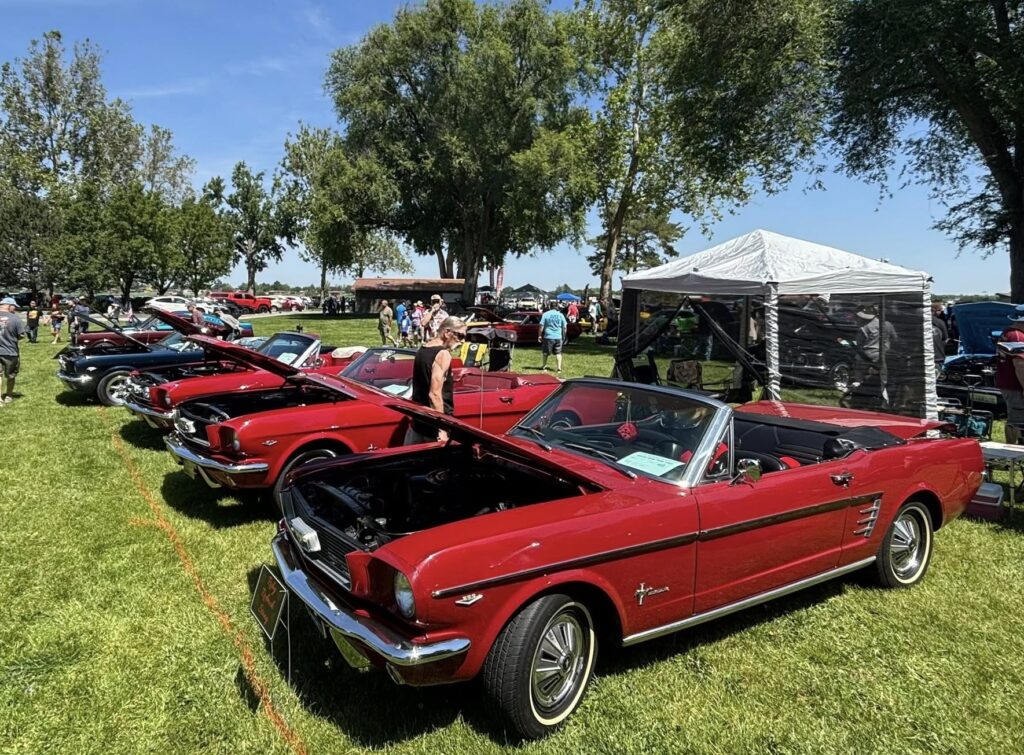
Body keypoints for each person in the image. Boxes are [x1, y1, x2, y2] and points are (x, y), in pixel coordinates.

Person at [405, 316, 467, 445]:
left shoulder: (422, 349)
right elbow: (434, 394)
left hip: (419, 420)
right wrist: (442, 429)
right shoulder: (443, 354)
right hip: (434, 426)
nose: (462, 341)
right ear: (447, 333)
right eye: (460, 336)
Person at [995, 309, 1024, 444]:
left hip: (1007, 382)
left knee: (1014, 417)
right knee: (1017, 420)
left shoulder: (1007, 333)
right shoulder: (1017, 336)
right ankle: (1013, 451)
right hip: (1015, 384)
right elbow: (1020, 365)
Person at [0, 297, 26, 404]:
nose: (14, 308)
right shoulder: (16, 319)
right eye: (14, 306)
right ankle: (9, 395)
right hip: (10, 351)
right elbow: (21, 335)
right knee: (11, 375)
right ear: (8, 305)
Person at [539, 301, 568, 373]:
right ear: (557, 307)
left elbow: (541, 326)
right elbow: (564, 327)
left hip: (548, 336)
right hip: (558, 336)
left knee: (546, 353)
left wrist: (539, 335)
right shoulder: (561, 315)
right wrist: (564, 335)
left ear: (550, 306)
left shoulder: (545, 314)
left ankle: (544, 366)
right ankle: (559, 369)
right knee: (558, 353)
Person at [931, 301, 949, 375]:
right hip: (938, 357)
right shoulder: (939, 322)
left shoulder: (920, 320)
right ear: (933, 311)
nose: (941, 312)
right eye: (939, 310)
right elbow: (946, 338)